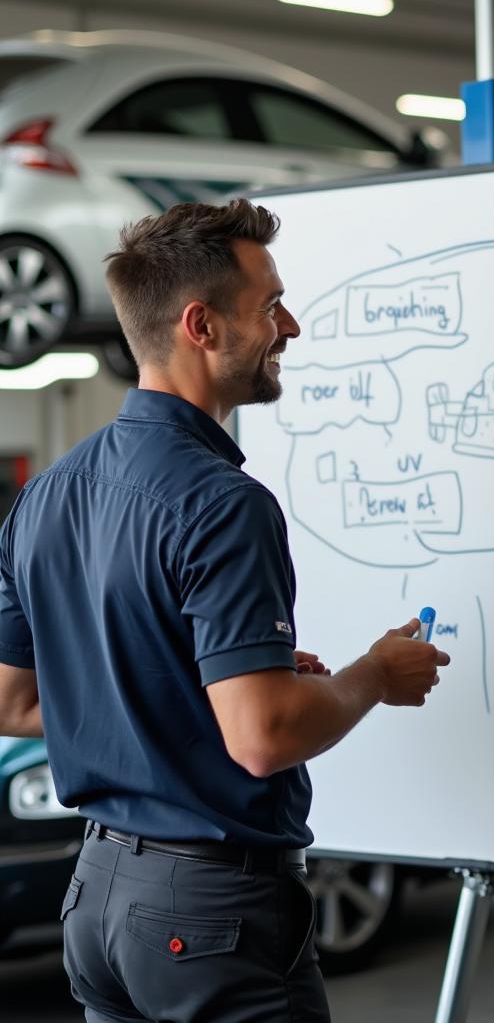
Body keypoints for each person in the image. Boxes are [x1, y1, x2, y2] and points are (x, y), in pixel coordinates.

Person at [0, 198, 449, 1022]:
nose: (292, 327)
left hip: (98, 902)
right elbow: (264, 736)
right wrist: (374, 674)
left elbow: (16, 701)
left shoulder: (47, 497)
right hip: (205, 912)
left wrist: (205, 683)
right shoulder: (221, 503)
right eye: (269, 305)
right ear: (201, 326)